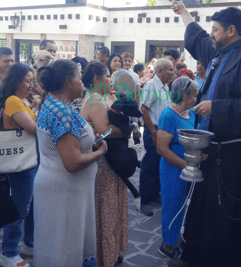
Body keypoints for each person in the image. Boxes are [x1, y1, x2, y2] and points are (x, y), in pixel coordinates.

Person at [169, 2, 241, 267]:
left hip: (236, 156)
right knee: (206, 210)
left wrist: (217, 107)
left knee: (224, 215)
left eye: (215, 29)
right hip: (214, 150)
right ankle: (196, 257)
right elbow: (198, 37)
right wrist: (184, 13)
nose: (211, 34)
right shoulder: (219, 54)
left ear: (231, 31)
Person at [34, 60, 107, 267]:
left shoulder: (54, 103)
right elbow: (72, 162)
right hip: (64, 191)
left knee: (59, 246)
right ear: (68, 83)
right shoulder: (61, 111)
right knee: (65, 251)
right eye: (78, 76)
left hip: (60, 188)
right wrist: (99, 152)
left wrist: (89, 141)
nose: (82, 81)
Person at [81, 62, 128, 266]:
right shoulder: (94, 100)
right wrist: (127, 126)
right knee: (106, 209)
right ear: (96, 79)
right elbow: (107, 130)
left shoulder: (102, 97)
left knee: (110, 206)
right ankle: (105, 256)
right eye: (107, 75)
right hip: (103, 163)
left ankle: (112, 250)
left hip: (107, 162)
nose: (111, 79)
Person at [0, 64, 38, 267]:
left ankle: (28, 244)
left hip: (29, 161)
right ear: (16, 81)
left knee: (30, 207)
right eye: (28, 81)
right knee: (20, 209)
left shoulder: (21, 100)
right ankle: (8, 252)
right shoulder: (13, 101)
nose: (31, 85)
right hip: (21, 165)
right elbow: (31, 127)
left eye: (32, 80)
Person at [157, 77, 199, 259]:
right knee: (173, 206)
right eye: (194, 95)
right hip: (174, 170)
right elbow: (162, 148)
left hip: (188, 168)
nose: (196, 99)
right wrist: (186, 165)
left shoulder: (192, 113)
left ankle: (178, 241)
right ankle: (167, 247)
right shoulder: (168, 115)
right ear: (184, 95)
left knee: (185, 207)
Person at [139, 58, 175, 217]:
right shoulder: (151, 85)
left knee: (159, 164)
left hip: (162, 131)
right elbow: (143, 109)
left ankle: (153, 194)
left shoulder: (165, 87)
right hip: (153, 130)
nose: (173, 73)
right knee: (150, 165)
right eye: (170, 70)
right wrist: (153, 132)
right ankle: (144, 200)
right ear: (160, 71)